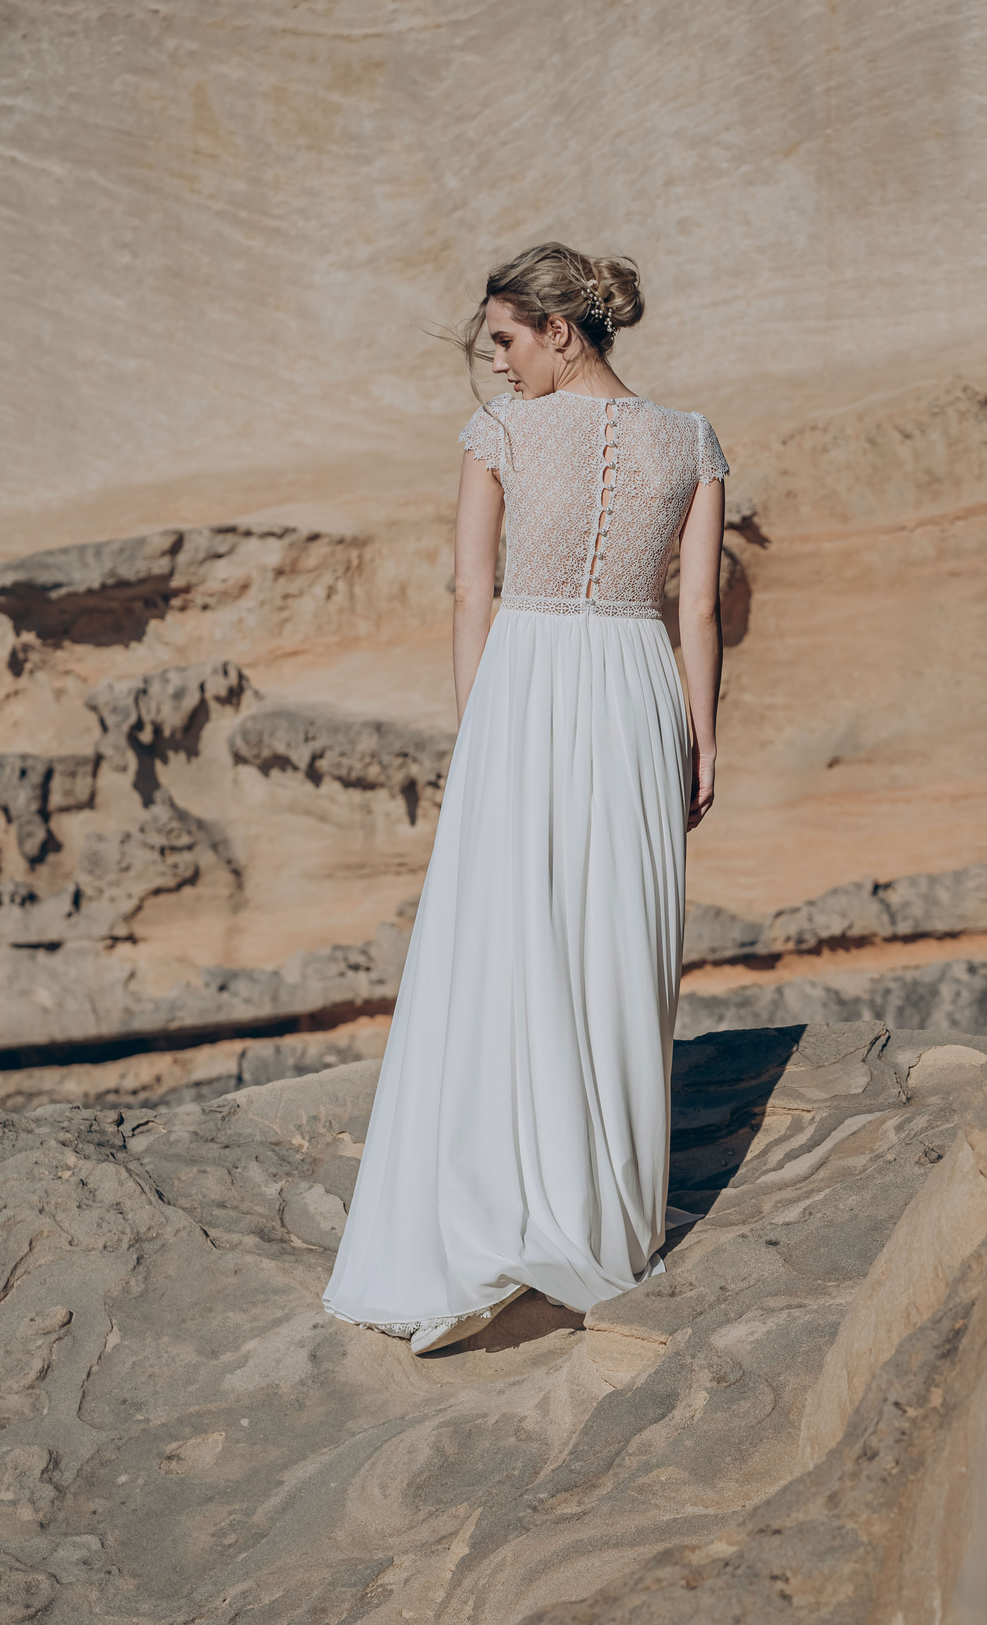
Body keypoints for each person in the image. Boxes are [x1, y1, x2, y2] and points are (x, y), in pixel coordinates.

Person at [322, 242, 728, 1354]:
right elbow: (698, 613)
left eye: (504, 339)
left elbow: (471, 588)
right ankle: (604, 1211)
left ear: (563, 331)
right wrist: (701, 736)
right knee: (619, 939)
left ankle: (499, 1190)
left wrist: (480, 720)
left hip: (527, 683)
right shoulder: (690, 438)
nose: (494, 365)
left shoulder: (500, 438)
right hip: (640, 683)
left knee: (504, 939)